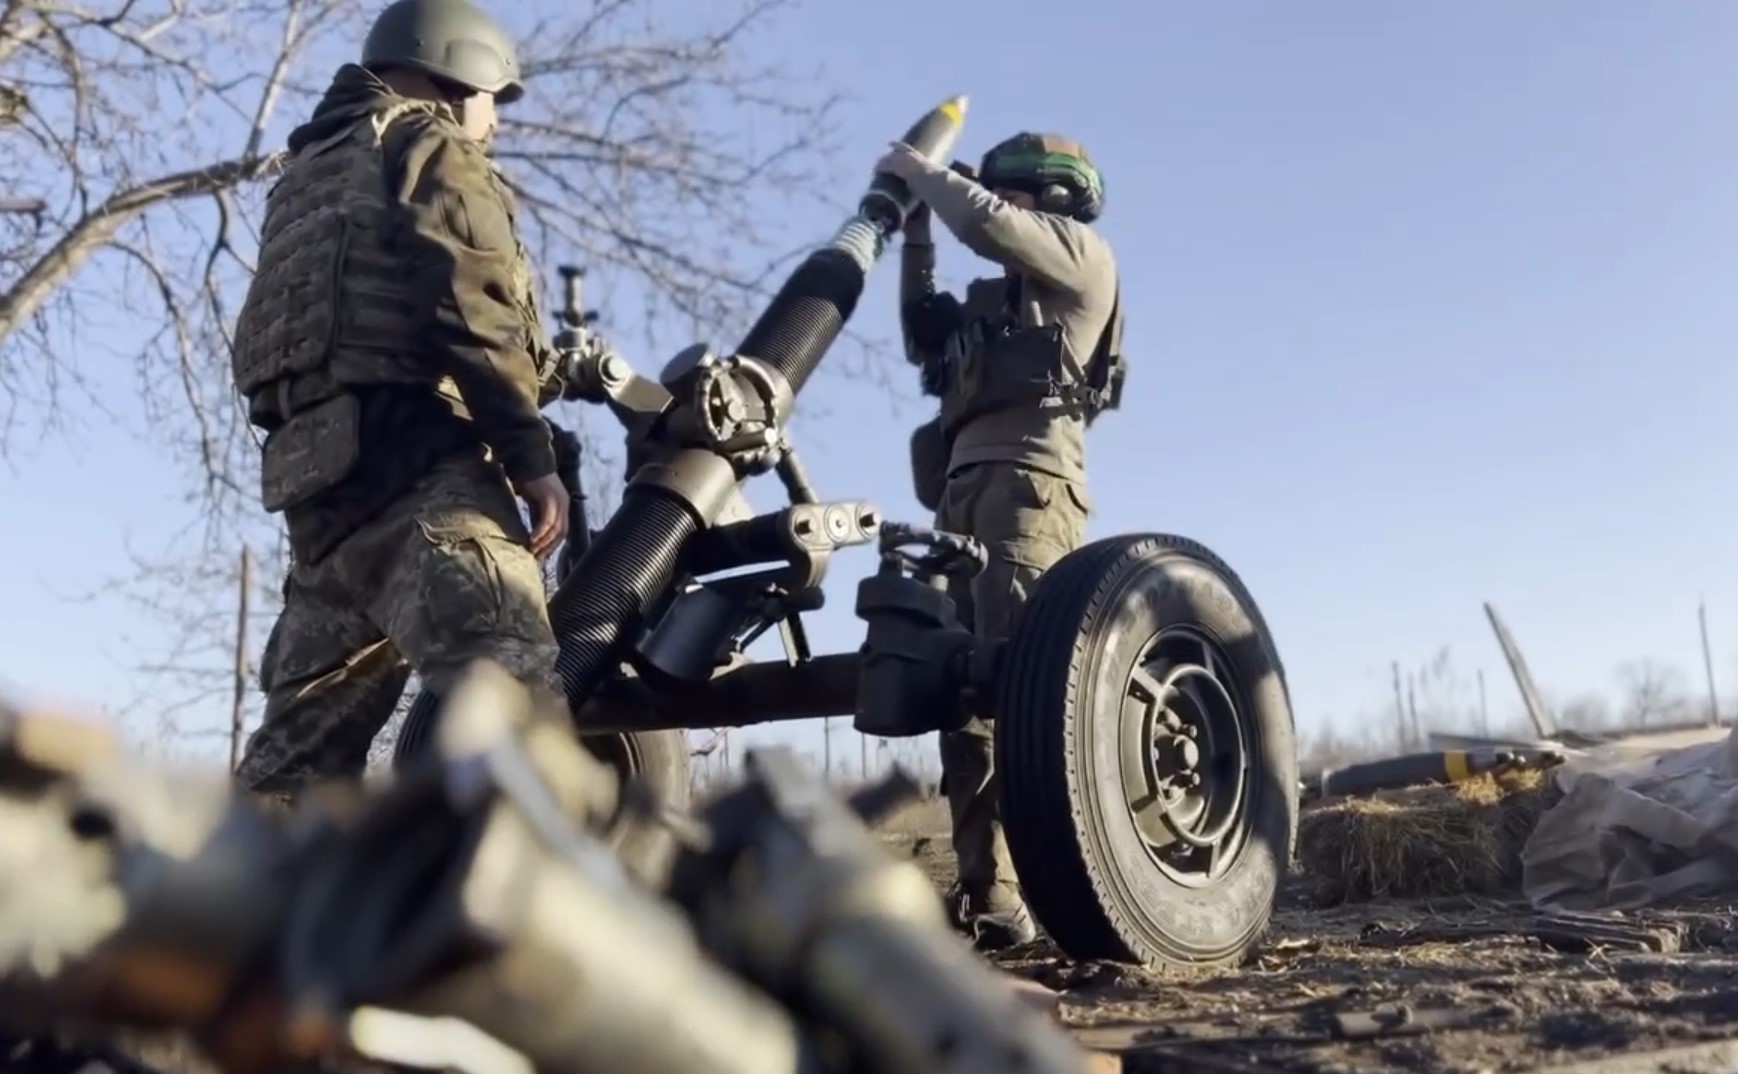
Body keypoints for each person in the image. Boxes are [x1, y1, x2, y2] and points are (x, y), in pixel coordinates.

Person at [229, 0, 570, 801]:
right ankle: (535, 922)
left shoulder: (306, 177)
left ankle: (210, 920)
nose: (493, 124)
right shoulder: (426, 142)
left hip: (322, 504)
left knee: (291, 776)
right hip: (425, 484)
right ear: (459, 74)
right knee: (519, 724)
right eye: (495, 100)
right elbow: (472, 305)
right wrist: (531, 457)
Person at [875, 132, 1124, 950]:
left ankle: (1064, 890)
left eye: (1008, 192)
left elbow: (987, 223)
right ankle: (993, 898)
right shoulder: (997, 298)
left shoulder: (1081, 256)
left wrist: (926, 173)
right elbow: (922, 333)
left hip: (1030, 490)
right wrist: (913, 226)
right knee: (962, 699)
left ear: (1047, 197)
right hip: (960, 494)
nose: (998, 203)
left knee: (1024, 692)